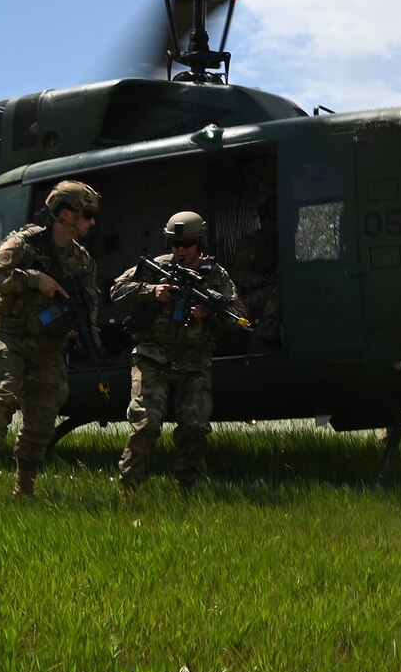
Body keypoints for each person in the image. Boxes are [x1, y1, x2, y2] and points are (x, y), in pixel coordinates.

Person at [0, 179, 102, 504]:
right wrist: (34, 279)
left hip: (47, 342)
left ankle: (25, 488)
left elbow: (89, 303)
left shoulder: (82, 260)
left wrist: (77, 328)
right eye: (86, 214)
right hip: (8, 333)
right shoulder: (24, 244)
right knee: (1, 398)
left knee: (44, 412)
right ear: (65, 213)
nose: (91, 222)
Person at [109, 210, 247, 492]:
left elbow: (237, 317)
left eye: (188, 244)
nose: (180, 250)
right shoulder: (156, 267)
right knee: (146, 424)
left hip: (193, 362)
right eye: (175, 244)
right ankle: (129, 489)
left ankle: (190, 489)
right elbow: (116, 290)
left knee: (194, 426)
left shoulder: (216, 277)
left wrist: (209, 312)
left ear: (200, 244)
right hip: (152, 357)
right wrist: (152, 291)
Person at [226, 182, 282, 353]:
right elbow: (238, 275)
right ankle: (261, 340)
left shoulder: (282, 241)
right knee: (279, 292)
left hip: (262, 295)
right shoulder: (252, 243)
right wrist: (263, 278)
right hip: (245, 299)